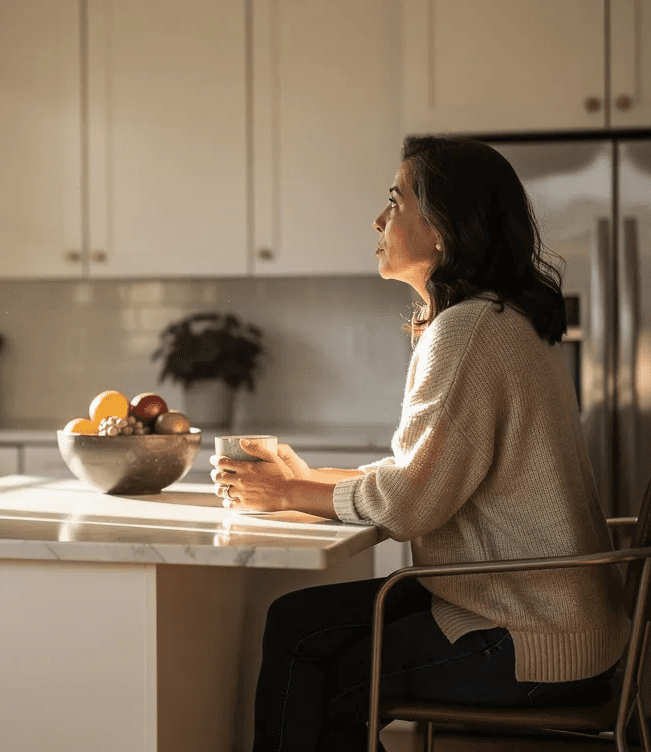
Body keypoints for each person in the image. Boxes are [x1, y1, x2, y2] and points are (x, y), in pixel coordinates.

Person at [212, 135, 629, 751]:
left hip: (523, 634)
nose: (379, 219)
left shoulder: (468, 332)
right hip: (546, 615)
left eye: (395, 199)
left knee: (324, 675)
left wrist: (287, 493)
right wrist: (305, 479)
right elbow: (429, 471)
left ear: (442, 228)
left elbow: (410, 502)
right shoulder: (500, 319)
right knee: (297, 623)